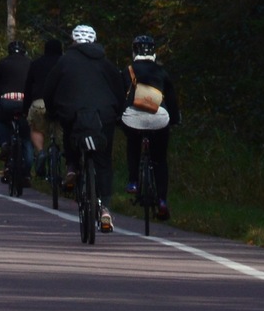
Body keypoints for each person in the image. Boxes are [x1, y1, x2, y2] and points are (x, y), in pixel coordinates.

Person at [48, 24, 132, 231]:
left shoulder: (64, 61)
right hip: (104, 116)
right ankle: (105, 209)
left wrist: (52, 112)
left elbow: (49, 89)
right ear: (94, 41)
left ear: (73, 41)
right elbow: (120, 91)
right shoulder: (106, 63)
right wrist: (119, 114)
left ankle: (72, 167)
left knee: (70, 133)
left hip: (74, 113)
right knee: (103, 161)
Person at [123, 33, 178, 221]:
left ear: (134, 51)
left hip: (133, 118)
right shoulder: (161, 72)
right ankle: (162, 200)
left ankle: (133, 182)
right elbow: (171, 100)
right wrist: (175, 119)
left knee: (133, 144)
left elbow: (120, 97)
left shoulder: (128, 70)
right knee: (160, 160)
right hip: (159, 119)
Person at [0, 40, 32, 176]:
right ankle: (27, 170)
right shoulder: (30, 64)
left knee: (0, 120)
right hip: (25, 103)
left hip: (6, 101)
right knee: (26, 135)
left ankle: (4, 143)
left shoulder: (2, 63)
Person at [23, 34, 65, 155]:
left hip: (39, 103)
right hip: (60, 104)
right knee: (62, 132)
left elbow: (28, 87)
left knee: (37, 129)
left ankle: (41, 151)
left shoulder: (36, 64)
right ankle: (63, 156)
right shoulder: (64, 63)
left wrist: (25, 109)